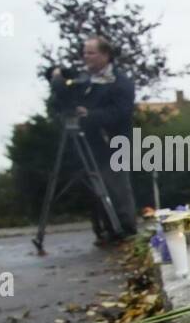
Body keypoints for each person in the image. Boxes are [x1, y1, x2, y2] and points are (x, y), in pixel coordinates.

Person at [52, 35, 137, 242]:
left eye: (91, 52)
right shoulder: (83, 79)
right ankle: (104, 229)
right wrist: (57, 78)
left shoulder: (120, 83)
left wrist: (89, 115)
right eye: (85, 52)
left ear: (105, 55)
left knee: (115, 185)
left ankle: (125, 229)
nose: (86, 57)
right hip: (90, 144)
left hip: (114, 142)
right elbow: (62, 96)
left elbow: (120, 113)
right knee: (94, 187)